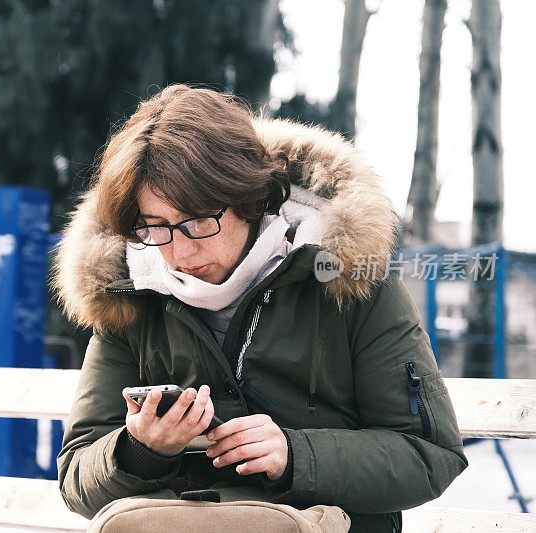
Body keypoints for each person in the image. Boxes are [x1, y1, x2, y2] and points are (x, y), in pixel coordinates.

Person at [53, 84, 467, 532]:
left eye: (196, 222)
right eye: (154, 227)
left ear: (250, 199)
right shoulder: (128, 293)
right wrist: (142, 449)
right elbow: (77, 477)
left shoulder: (347, 278)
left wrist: (296, 455)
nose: (178, 253)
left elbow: (430, 454)